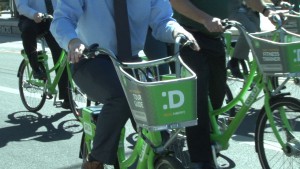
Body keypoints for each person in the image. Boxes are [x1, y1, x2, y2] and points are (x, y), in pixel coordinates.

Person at [50, 1, 199, 169]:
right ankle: (95, 160)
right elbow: (62, 19)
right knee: (122, 96)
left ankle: (158, 152)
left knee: (154, 102)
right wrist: (73, 41)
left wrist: (176, 30)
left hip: (131, 61)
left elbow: (163, 20)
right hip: (92, 58)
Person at [170, 0, 276, 168]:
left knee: (217, 94)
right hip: (187, 37)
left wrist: (267, 11)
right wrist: (205, 19)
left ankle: (209, 142)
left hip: (214, 37)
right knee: (198, 99)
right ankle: (200, 159)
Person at [15, 0, 70, 109]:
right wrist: (34, 14)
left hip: (49, 20)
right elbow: (21, 6)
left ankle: (67, 97)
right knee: (28, 31)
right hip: (30, 18)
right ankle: (36, 68)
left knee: (60, 53)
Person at [228, 0, 291, 78]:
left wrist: (278, 3)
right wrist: (267, 12)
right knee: (251, 31)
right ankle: (233, 61)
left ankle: (262, 73)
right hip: (231, 6)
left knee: (258, 36)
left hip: (248, 7)